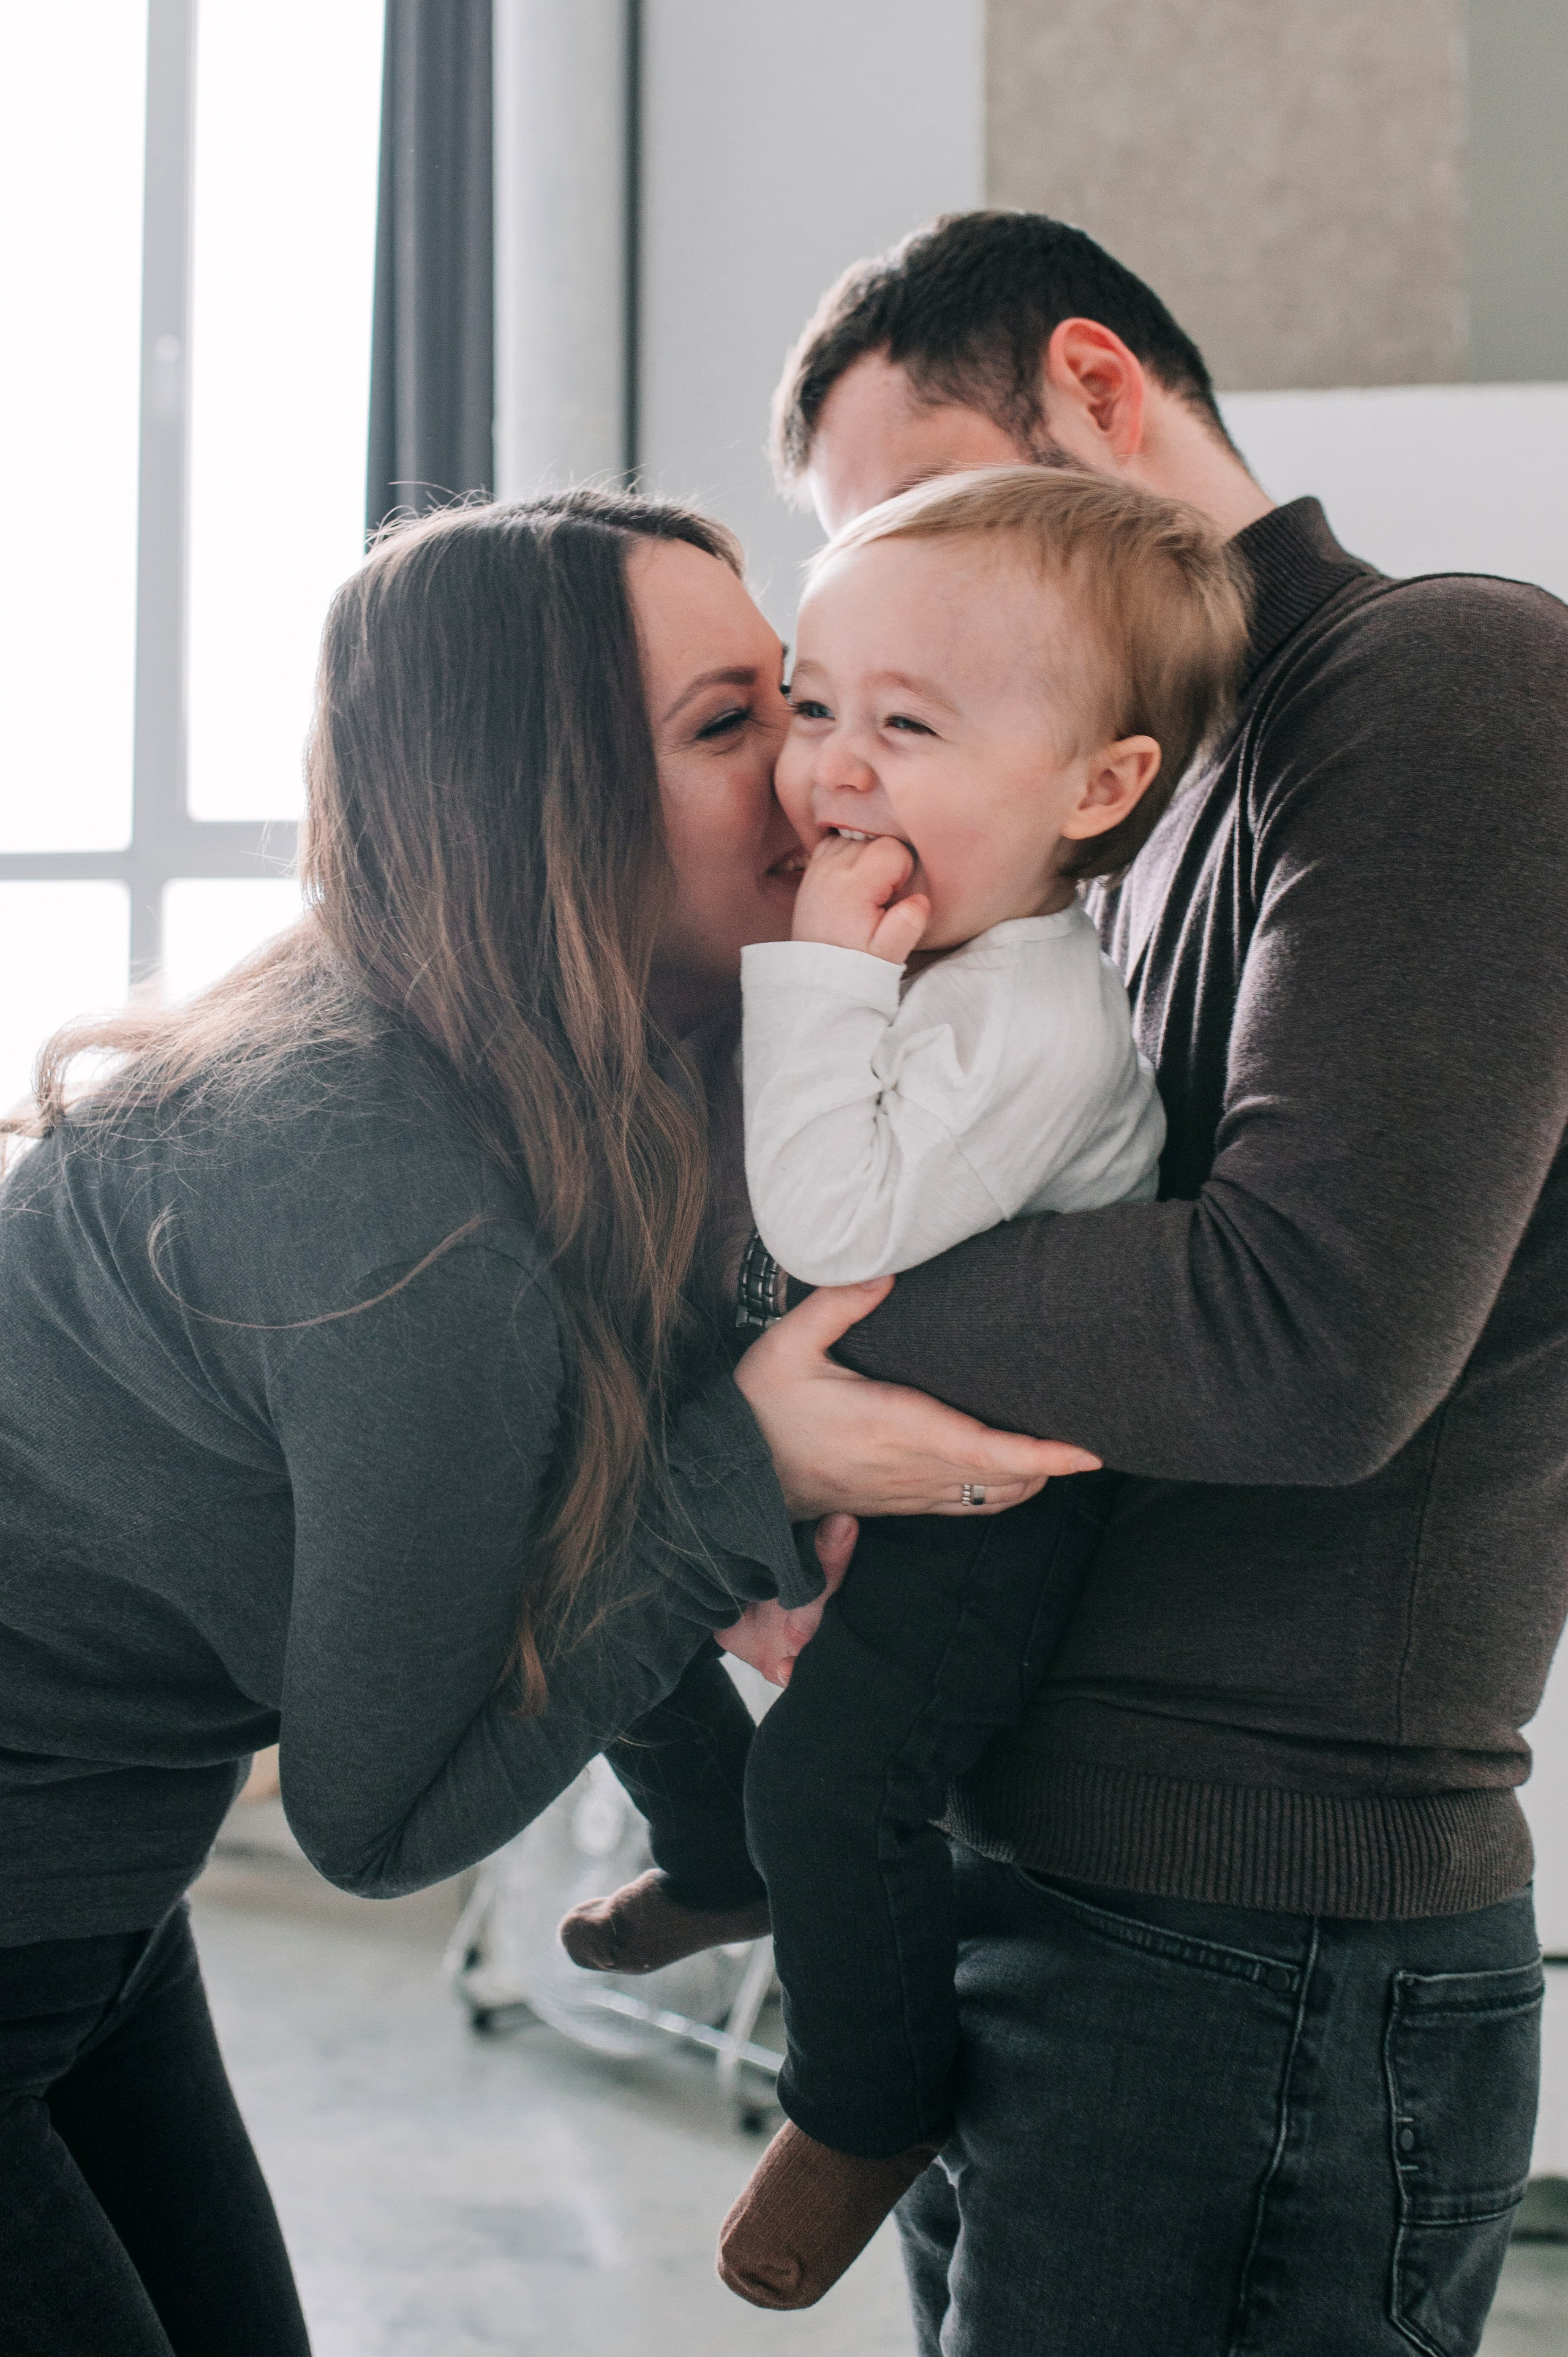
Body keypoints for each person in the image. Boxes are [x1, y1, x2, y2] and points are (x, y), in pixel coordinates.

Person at [0, 487, 1087, 2356]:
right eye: (732, 725)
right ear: (542, 801)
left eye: (808, 699)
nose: (823, 775)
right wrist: (751, 1470)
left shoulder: (548, 1082)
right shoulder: (387, 1190)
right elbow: (378, 1816)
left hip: (84, 1912)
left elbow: (585, 1507)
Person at [745, 210, 1568, 2355]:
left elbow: (1301, 1342)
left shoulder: (1451, 678)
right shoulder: (1121, 816)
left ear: (1099, 393)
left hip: (1264, 1927)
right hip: (1077, 1884)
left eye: (934, 504)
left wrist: (770, 1369)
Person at [559, 466, 1248, 2312]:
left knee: (835, 1785)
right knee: (606, 1602)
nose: (828, 768)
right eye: (813, 706)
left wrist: (807, 977)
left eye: (907, 725)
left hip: (991, 1509)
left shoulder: (1028, 1010)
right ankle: (711, 1855)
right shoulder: (919, 958)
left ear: (1095, 791)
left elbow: (833, 1202)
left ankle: (868, 2102)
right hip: (853, 1429)